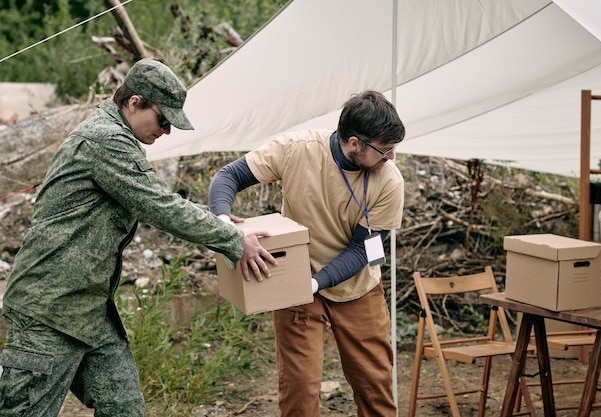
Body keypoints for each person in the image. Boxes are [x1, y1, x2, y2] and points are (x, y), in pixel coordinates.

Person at [0, 58, 275, 417]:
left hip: (88, 308)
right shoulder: (105, 140)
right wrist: (234, 241)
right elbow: (159, 206)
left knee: (124, 409)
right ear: (134, 102)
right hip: (49, 308)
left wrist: (218, 222)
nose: (166, 131)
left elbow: (158, 198)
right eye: (163, 120)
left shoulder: (115, 137)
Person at [208, 90, 405, 417]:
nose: (392, 158)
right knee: (298, 390)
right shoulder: (296, 150)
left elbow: (363, 250)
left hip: (358, 288)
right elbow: (228, 176)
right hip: (296, 287)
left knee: (375, 386)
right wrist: (225, 223)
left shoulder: (389, 182)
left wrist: (315, 283)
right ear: (355, 143)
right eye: (385, 150)